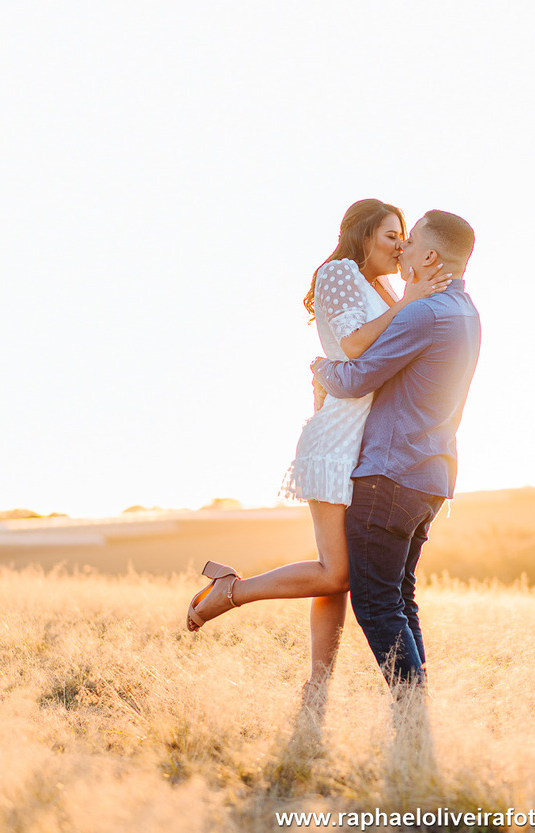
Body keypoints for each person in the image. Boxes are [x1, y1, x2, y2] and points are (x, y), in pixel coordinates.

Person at [184, 199, 451, 713]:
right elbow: (351, 348)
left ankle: (316, 690)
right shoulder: (338, 272)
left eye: (404, 236)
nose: (400, 245)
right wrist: (410, 301)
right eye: (391, 234)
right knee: (336, 575)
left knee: (341, 576)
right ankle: (230, 589)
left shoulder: (384, 287)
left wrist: (408, 298)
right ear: (363, 234)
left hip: (367, 443)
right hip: (337, 441)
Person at [312, 209, 480, 695]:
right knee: (400, 601)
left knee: (377, 604)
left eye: (411, 242)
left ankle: (410, 714)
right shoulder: (465, 312)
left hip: (391, 474)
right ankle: (416, 714)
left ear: (429, 256)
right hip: (430, 475)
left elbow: (357, 376)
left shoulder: (424, 312)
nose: (402, 249)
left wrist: (319, 366)